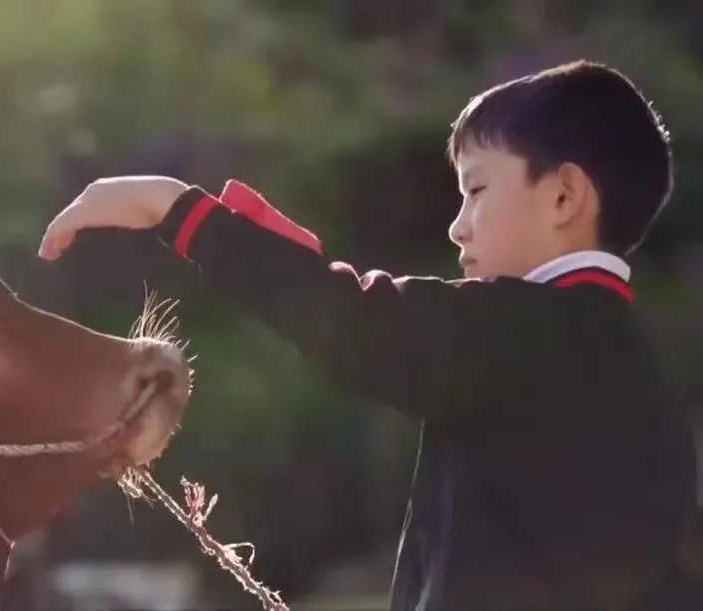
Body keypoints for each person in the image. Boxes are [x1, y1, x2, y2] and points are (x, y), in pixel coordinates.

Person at [38, 60, 697, 610]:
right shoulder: (636, 369)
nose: (457, 226)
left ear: (563, 197)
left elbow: (354, 320)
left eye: (476, 189)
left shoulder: (523, 333)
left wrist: (176, 210)